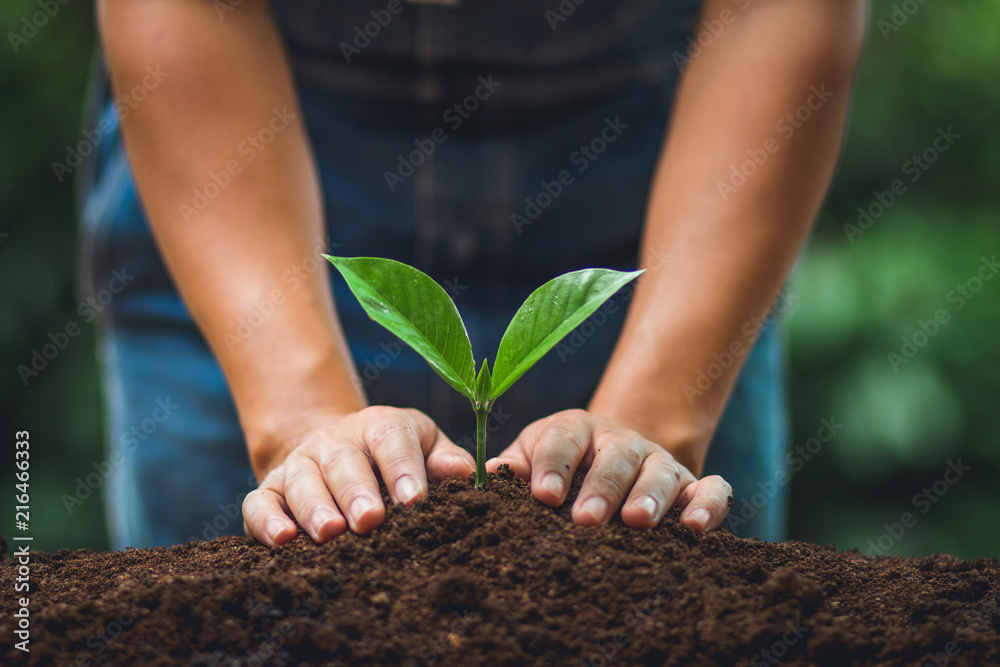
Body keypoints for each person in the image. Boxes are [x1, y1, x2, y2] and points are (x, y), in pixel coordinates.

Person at [81, 0, 866, 550]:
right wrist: (298, 420)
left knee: (649, 551)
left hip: (665, 175)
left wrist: (656, 417)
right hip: (250, 161)